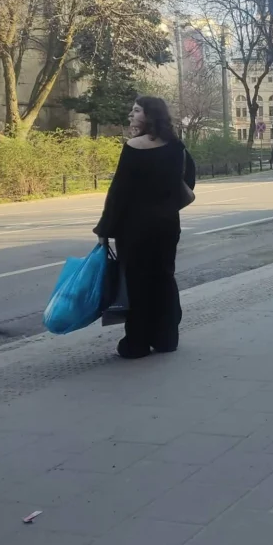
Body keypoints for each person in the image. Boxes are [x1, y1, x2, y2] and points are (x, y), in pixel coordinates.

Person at [94, 97, 196, 359]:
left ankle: (137, 343)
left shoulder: (133, 148)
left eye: (136, 110)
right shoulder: (176, 147)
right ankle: (166, 338)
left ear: (149, 116)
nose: (131, 114)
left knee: (137, 282)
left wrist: (105, 230)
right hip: (166, 224)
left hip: (135, 227)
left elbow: (118, 192)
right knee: (164, 277)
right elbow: (188, 182)